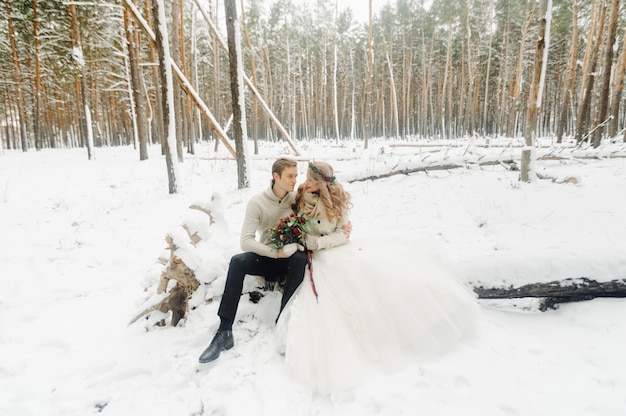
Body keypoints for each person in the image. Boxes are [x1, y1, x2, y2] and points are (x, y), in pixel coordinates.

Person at [276, 161, 479, 394]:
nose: (305, 182)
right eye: (306, 178)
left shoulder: (337, 202)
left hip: (332, 251)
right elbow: (290, 223)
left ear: (321, 183)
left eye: (311, 179)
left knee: (368, 278)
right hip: (315, 259)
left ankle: (398, 328)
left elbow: (343, 234)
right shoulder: (299, 196)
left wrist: (318, 242)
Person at [198, 158, 350, 364]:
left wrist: (341, 229)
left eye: (297, 176)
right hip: (267, 256)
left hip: (290, 258)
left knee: (300, 258)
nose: (296, 181)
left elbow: (320, 213)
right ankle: (224, 331)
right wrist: (274, 253)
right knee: (237, 261)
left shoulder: (297, 198)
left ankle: (283, 322)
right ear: (275, 176)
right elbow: (246, 241)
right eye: (290, 176)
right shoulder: (257, 202)